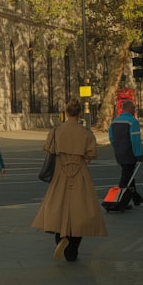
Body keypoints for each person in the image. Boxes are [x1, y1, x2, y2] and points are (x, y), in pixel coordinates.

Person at [31, 97, 107, 261]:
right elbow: (91, 155)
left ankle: (61, 238)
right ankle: (73, 249)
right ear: (79, 113)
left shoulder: (56, 131)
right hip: (79, 174)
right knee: (79, 211)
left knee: (58, 209)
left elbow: (48, 149)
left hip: (60, 173)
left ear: (66, 113)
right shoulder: (86, 133)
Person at [109, 99, 143, 206]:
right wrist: (139, 154)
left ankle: (136, 198)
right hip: (129, 153)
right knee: (126, 178)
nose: (134, 110)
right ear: (129, 108)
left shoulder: (115, 121)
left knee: (130, 175)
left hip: (119, 153)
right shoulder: (133, 122)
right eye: (133, 108)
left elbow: (111, 137)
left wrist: (117, 147)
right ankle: (119, 201)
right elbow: (135, 140)